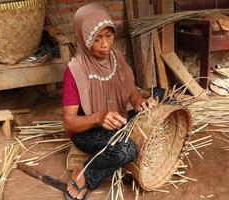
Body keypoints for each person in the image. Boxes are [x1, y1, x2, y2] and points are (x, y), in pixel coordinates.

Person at [62, 3, 157, 200]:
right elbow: (69, 122)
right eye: (97, 39)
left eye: (109, 36)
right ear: (84, 39)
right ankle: (85, 173)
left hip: (116, 121)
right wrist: (98, 117)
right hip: (87, 131)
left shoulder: (116, 58)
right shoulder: (75, 71)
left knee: (161, 96)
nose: (105, 45)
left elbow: (130, 89)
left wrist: (139, 101)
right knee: (127, 150)